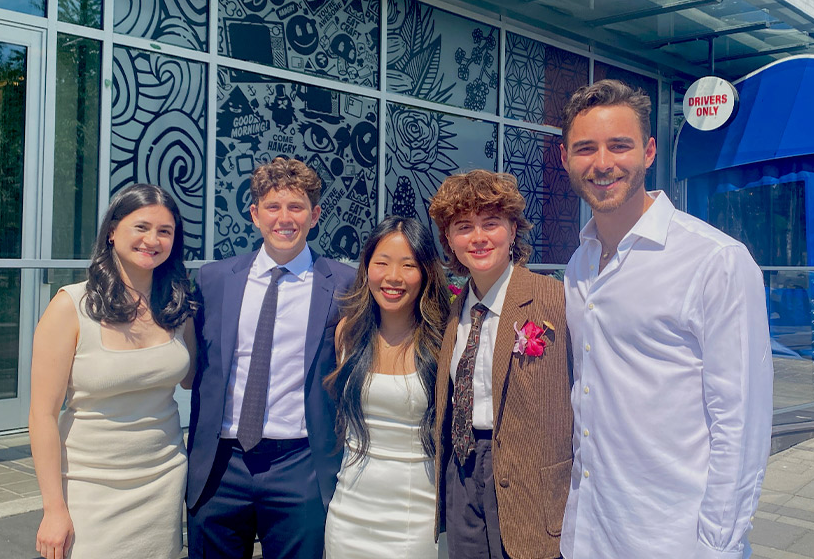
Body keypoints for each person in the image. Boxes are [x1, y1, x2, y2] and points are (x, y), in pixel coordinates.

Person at [558, 79, 773, 558]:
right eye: (586, 148)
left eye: (620, 146)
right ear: (565, 159)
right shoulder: (579, 266)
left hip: (674, 538)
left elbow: (741, 423)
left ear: (650, 151)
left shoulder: (715, 261)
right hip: (589, 531)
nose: (603, 163)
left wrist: (719, 545)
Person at [186, 157, 355, 559]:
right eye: (273, 207)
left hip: (300, 464)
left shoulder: (344, 284)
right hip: (220, 465)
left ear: (314, 215)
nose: (284, 218)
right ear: (255, 214)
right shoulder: (212, 280)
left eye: (296, 207)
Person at [29, 184, 197, 559]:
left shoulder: (177, 305)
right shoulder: (71, 306)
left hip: (162, 481)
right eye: (141, 227)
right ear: (112, 231)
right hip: (91, 485)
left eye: (164, 231)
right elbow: (41, 415)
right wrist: (53, 509)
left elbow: (191, 377)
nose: (152, 240)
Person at [428, 170, 573, 559]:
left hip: (530, 477)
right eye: (463, 227)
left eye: (490, 223)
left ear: (512, 229)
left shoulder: (554, 299)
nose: (478, 237)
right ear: (449, 241)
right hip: (462, 468)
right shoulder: (454, 311)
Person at [323, 216, 451, 558]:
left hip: (415, 519)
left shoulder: (444, 341)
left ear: (425, 272)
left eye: (408, 265)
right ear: (366, 268)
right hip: (348, 513)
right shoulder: (347, 332)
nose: (393, 277)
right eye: (382, 263)